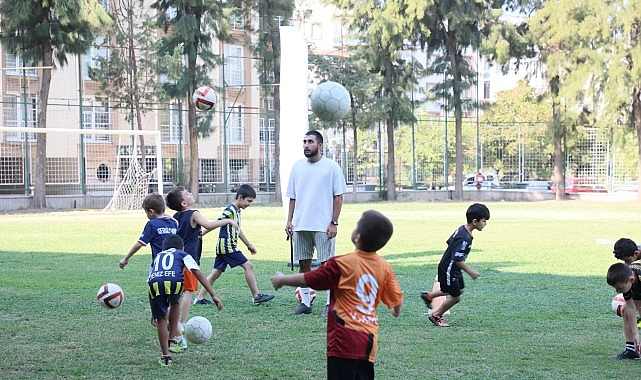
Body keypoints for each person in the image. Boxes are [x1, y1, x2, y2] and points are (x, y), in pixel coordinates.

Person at [272, 210, 403, 380]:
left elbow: (310, 279)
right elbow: (396, 298)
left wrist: (283, 279)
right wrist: (396, 309)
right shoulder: (385, 267)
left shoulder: (342, 264)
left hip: (344, 337)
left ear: (358, 237)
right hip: (369, 339)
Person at [165, 186, 238, 349]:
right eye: (188, 194)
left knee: (176, 293)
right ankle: (182, 324)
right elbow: (209, 225)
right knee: (189, 291)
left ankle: (171, 321)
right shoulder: (194, 213)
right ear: (184, 203)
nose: (191, 194)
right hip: (189, 259)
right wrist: (228, 221)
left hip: (177, 259)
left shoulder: (177, 216)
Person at [285, 130, 347, 316]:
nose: (306, 145)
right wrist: (289, 220)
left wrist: (334, 222)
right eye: (304, 141)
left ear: (320, 145)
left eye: (310, 141)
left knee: (326, 266)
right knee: (304, 265)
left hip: (323, 226)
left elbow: (338, 197)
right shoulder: (297, 167)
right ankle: (305, 303)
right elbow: (292, 198)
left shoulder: (331, 167)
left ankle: (330, 304)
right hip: (301, 226)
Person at [145, 234, 223, 366]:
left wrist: (155, 313)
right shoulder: (183, 254)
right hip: (175, 281)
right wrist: (213, 294)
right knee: (175, 302)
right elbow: (197, 272)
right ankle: (172, 340)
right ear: (182, 247)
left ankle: (165, 356)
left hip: (155, 283)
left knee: (161, 320)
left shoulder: (158, 256)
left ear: (164, 248)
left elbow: (150, 279)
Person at [193, 184, 274, 306]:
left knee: (216, 273)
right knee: (248, 266)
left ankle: (199, 298)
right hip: (227, 247)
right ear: (240, 197)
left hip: (223, 247)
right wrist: (201, 234)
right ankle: (256, 296)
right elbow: (215, 223)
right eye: (249, 201)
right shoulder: (230, 210)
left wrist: (248, 245)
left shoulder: (237, 211)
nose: (249, 204)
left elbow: (238, 230)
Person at [420, 203, 490, 327]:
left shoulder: (461, 229)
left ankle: (429, 296)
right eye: (484, 221)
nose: (485, 224)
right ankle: (436, 315)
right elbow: (457, 259)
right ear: (475, 221)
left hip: (452, 267)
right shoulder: (465, 238)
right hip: (449, 268)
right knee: (456, 297)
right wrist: (471, 272)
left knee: (459, 289)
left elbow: (449, 241)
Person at [119, 193, 178, 269]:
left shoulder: (152, 224)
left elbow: (140, 244)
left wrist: (125, 258)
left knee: (153, 281)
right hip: (174, 264)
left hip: (158, 265)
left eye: (146, 212)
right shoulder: (174, 223)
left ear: (151, 212)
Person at [606, 262, 641, 360]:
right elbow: (631, 307)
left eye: (619, 288)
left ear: (631, 280)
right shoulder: (627, 278)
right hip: (638, 289)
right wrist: (635, 334)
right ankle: (631, 350)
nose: (617, 291)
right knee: (626, 310)